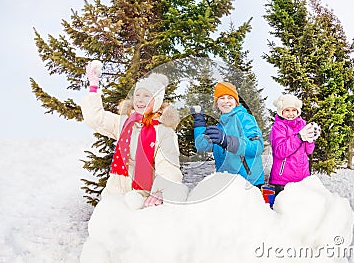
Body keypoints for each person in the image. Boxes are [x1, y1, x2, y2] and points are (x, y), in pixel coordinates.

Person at [80, 60, 188, 208]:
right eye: (138, 95)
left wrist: (162, 190)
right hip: (115, 196)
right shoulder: (125, 124)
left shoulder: (163, 131)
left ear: (156, 101)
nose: (140, 100)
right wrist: (93, 86)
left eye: (146, 96)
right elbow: (96, 118)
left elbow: (168, 165)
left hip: (145, 199)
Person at [191, 82, 265, 187]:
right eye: (221, 98)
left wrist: (228, 142)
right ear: (217, 103)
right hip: (226, 181)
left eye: (230, 97)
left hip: (248, 181)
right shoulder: (220, 126)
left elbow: (257, 147)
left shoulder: (244, 118)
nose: (226, 101)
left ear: (236, 102)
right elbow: (201, 146)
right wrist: (199, 123)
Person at [269, 94, 321, 196]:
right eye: (287, 110)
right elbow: (280, 151)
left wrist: (311, 140)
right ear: (281, 111)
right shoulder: (278, 127)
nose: (291, 113)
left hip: (302, 178)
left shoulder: (303, 125)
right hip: (283, 179)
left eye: (294, 110)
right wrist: (299, 137)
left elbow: (308, 151)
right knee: (284, 210)